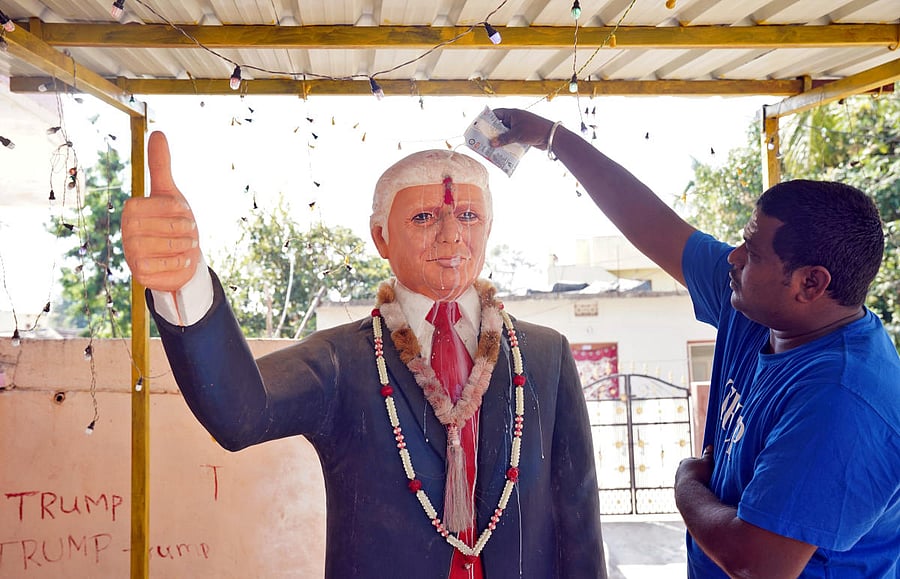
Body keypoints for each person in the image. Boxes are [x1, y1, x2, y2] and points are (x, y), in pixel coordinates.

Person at [122, 133, 607, 578]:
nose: (450, 235)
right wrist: (185, 284)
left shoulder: (544, 358)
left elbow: (578, 523)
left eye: (468, 216)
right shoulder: (343, 360)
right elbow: (239, 414)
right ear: (380, 237)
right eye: (423, 217)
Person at [491, 108, 900, 577]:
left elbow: (757, 564)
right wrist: (554, 137)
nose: (734, 256)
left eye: (753, 250)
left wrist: (687, 485)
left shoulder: (843, 400)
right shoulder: (755, 308)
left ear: (810, 283)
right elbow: (655, 226)